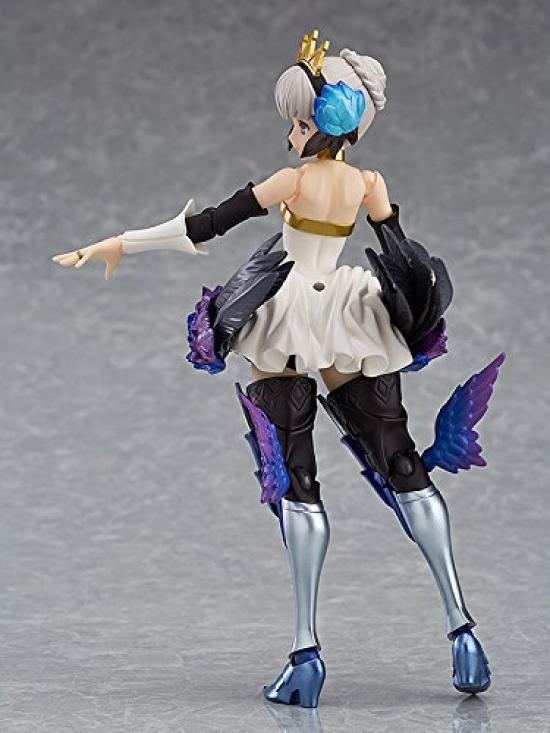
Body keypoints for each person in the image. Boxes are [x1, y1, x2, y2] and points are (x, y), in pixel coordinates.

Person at [53, 30, 496, 708]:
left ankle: (306, 656)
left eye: (297, 122)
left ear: (319, 123)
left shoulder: (292, 180)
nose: (290, 133)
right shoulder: (368, 183)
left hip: (285, 318)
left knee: (297, 481)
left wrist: (120, 243)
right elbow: (404, 257)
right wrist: (412, 316)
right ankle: (464, 633)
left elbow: (205, 225)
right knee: (404, 464)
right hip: (350, 317)